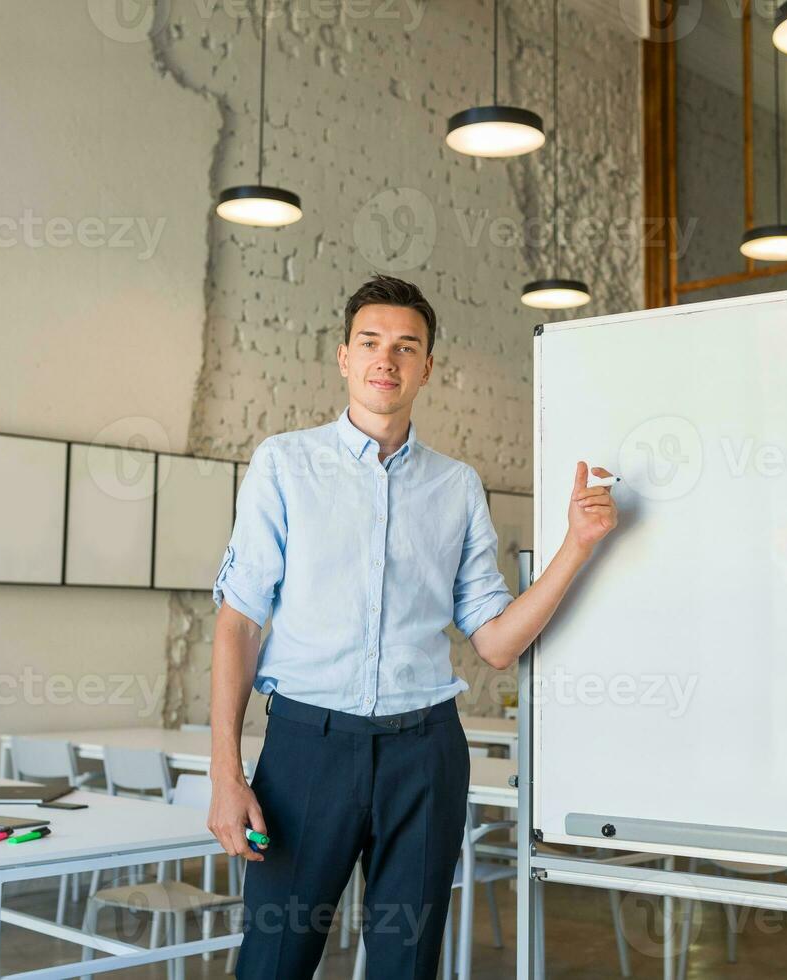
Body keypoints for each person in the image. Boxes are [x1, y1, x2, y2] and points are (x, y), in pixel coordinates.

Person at [207, 273, 618, 978]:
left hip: (425, 756)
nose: (386, 360)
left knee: (407, 967)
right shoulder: (285, 465)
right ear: (343, 357)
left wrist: (576, 547)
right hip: (309, 750)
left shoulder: (456, 486)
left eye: (406, 347)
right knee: (273, 963)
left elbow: (493, 641)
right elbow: (240, 622)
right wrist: (226, 771)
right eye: (370, 342)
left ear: (427, 367)